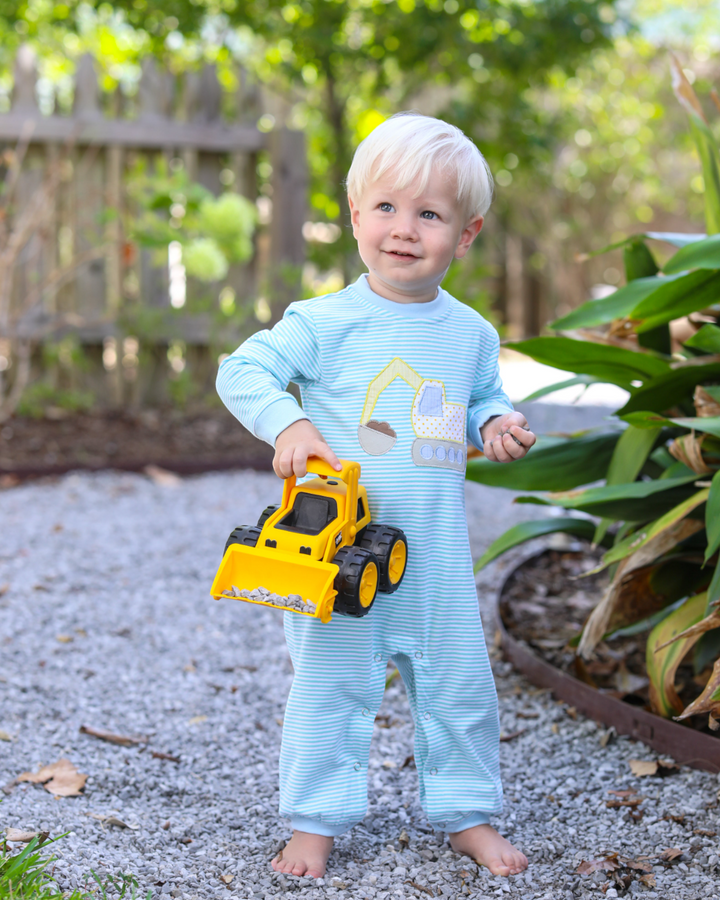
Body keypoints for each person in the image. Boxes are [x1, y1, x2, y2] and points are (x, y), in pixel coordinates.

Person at [216, 112, 535, 880]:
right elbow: (241, 370)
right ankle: (315, 823)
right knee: (331, 692)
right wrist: (288, 424)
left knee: (460, 689)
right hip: (338, 553)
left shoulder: (471, 335)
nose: (404, 228)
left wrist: (496, 423)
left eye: (430, 214)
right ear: (355, 216)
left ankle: (468, 813)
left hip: (433, 561)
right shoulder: (326, 323)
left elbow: (481, 398)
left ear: (466, 234)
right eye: (386, 207)